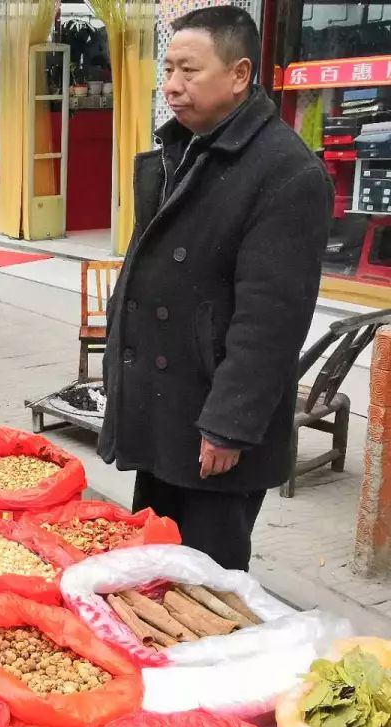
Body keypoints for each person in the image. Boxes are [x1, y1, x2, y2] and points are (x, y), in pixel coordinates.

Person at [98, 6, 333, 571]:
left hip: (213, 419)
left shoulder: (286, 172)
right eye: (169, 69)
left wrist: (229, 425)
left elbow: (270, 322)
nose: (172, 87)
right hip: (164, 402)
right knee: (154, 559)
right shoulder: (183, 148)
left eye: (189, 71)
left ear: (239, 74)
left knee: (207, 578)